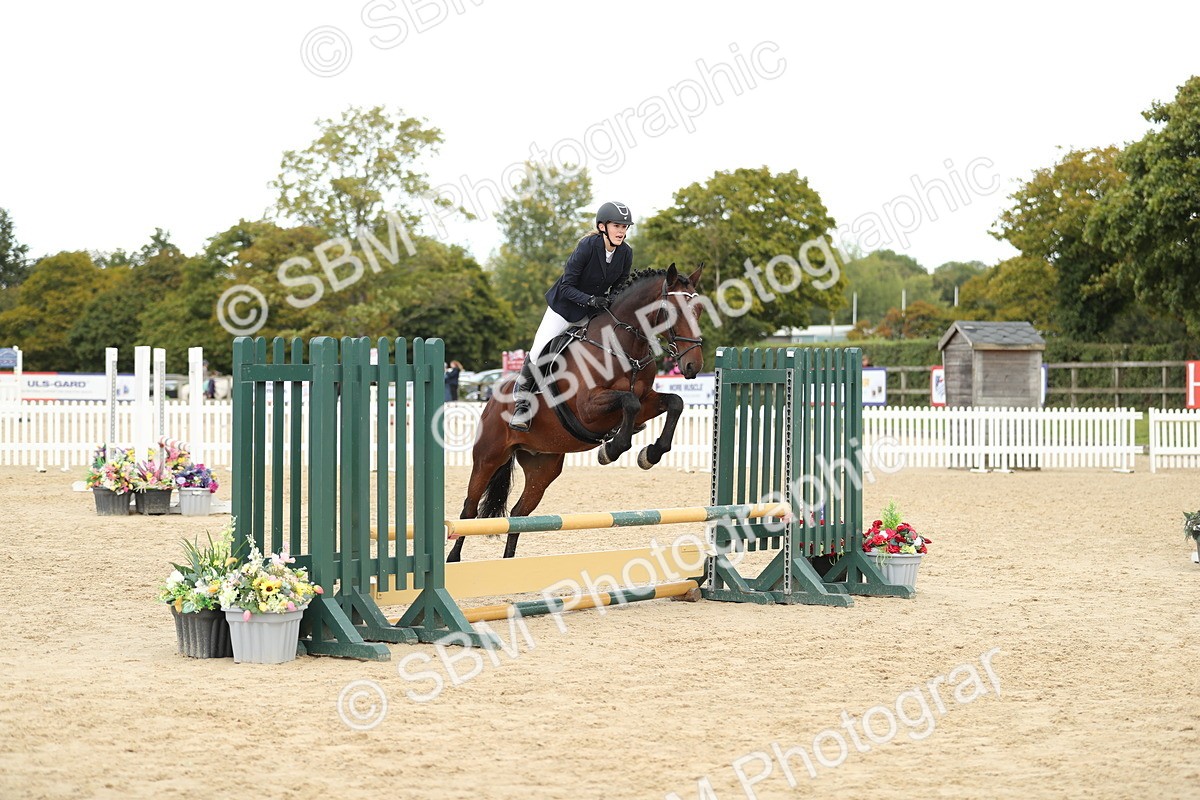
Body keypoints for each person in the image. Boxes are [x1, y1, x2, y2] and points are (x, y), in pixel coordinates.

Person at [508, 201, 635, 431]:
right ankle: (522, 405)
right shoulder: (587, 246)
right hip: (563, 308)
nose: (622, 231)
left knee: (613, 345)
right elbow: (567, 286)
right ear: (602, 227)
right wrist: (591, 299)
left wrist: (612, 300)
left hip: (591, 312)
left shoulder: (625, 253)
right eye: (617, 226)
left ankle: (618, 402)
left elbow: (620, 283)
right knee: (538, 351)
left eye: (625, 227)